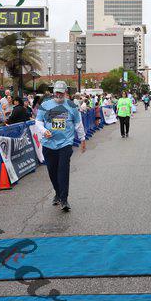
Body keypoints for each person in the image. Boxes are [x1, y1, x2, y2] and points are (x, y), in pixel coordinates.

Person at [35, 80, 86, 212]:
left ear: (65, 93)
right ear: (53, 92)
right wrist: (43, 131)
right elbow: (38, 121)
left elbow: (78, 124)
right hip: (48, 144)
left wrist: (82, 139)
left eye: (61, 93)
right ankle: (58, 193)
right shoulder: (45, 105)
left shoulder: (72, 106)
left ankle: (64, 199)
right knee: (52, 172)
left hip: (65, 143)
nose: (59, 95)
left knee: (63, 171)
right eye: (57, 92)